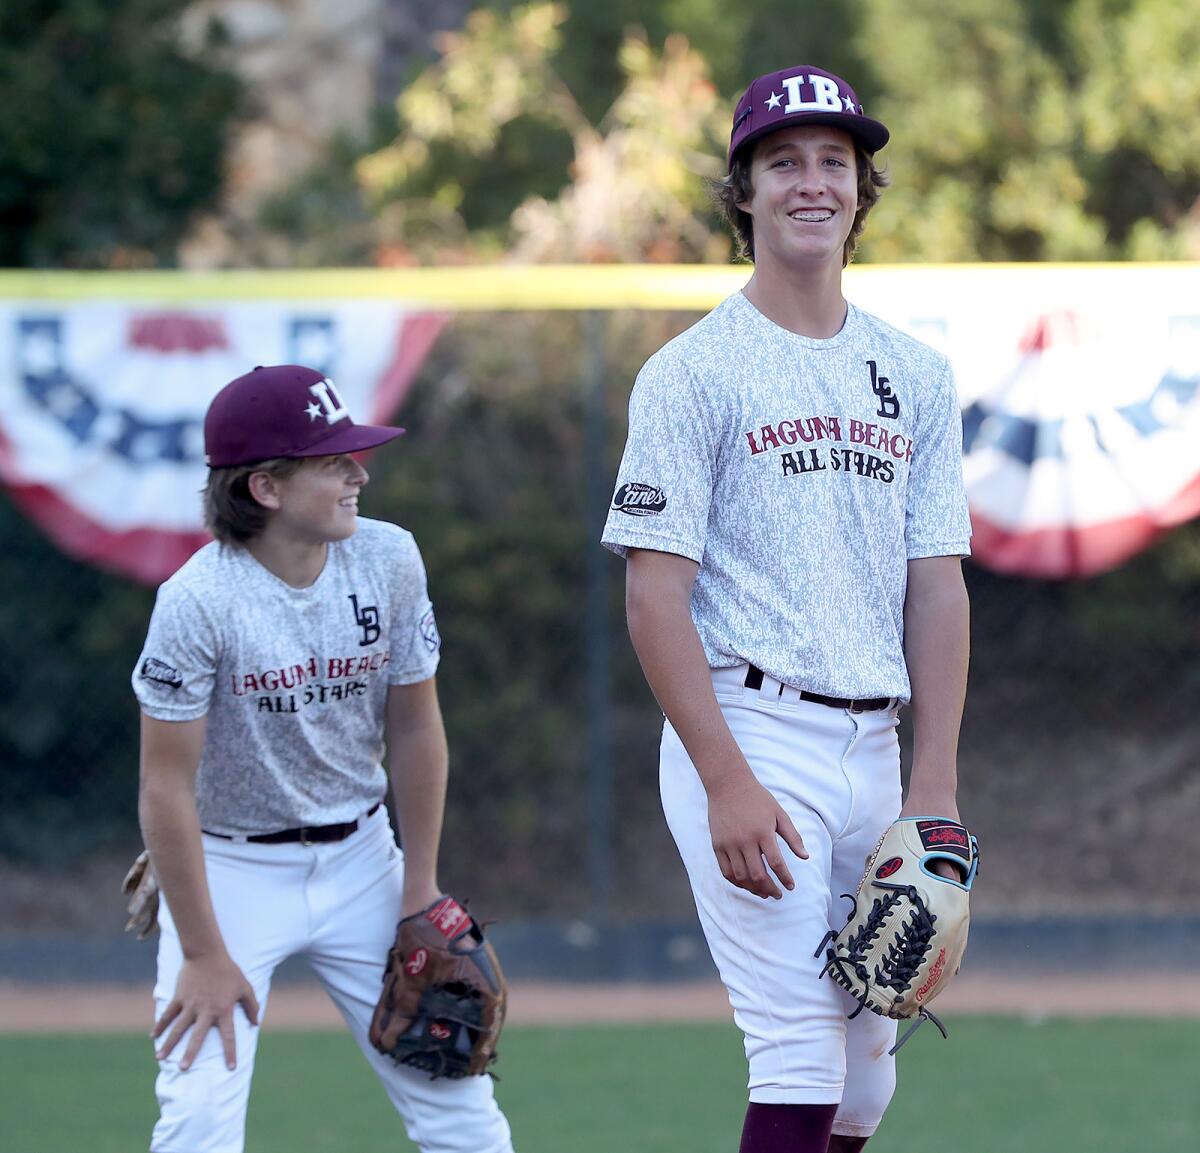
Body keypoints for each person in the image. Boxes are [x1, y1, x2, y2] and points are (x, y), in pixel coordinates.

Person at [601, 65, 972, 1153]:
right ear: (744, 192)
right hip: (749, 728)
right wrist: (724, 776)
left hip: (877, 742)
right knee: (799, 1052)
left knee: (867, 1082)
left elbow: (936, 583)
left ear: (862, 191)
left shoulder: (916, 373)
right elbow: (653, 594)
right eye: (784, 162)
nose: (812, 181)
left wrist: (935, 786)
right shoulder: (691, 373)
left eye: (834, 162)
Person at [132, 364, 514, 1153]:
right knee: (198, 1120)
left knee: (461, 1110)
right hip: (229, 873)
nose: (358, 472)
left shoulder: (388, 558)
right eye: (334, 460)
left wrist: (420, 888)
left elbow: (416, 728)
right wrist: (203, 949)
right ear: (266, 487)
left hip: (363, 859)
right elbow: (164, 784)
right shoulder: (198, 600)